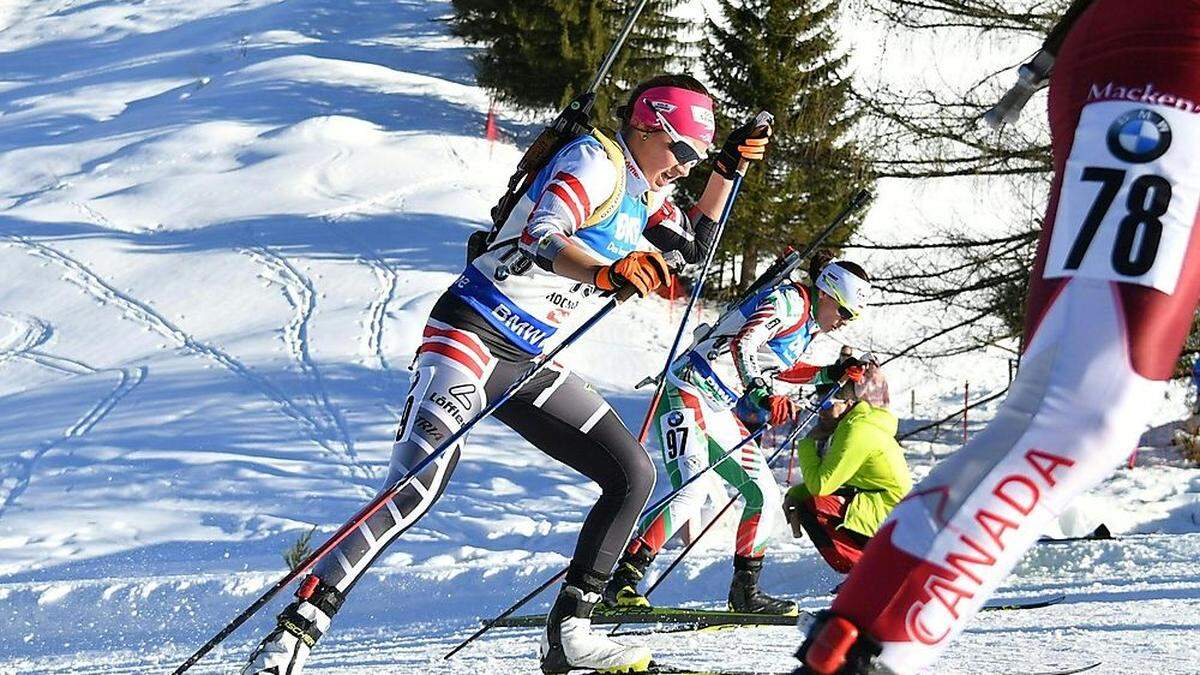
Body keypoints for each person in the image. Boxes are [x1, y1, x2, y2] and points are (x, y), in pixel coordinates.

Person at [241, 74, 772, 675]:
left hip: (533, 359)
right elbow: (543, 234)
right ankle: (293, 634)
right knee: (416, 487)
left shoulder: (649, 192)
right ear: (648, 126)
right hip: (473, 334)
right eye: (682, 151)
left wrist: (727, 169)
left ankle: (571, 635)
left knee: (632, 472)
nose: (685, 166)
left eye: (695, 158)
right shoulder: (596, 161)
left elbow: (692, 251)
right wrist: (604, 272)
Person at [796, 2, 1200, 673]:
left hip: (1137, 54)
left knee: (1064, 413)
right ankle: (862, 655)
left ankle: (855, 651)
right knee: (1081, 413)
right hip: (1167, 60)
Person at [603, 257, 873, 615]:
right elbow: (744, 344)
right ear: (826, 293)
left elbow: (782, 367)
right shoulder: (788, 302)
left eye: (850, 316)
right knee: (692, 490)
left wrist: (832, 373)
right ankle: (622, 580)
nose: (844, 321)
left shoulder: (806, 323)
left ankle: (745, 591)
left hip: (716, 406)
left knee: (763, 492)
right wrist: (761, 393)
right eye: (844, 311)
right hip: (685, 391)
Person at [783, 364, 911, 575]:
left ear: (849, 402)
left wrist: (808, 443)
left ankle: (867, 576)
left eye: (827, 405)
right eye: (818, 405)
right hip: (881, 507)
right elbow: (839, 479)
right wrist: (795, 492)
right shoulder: (855, 422)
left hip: (889, 514)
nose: (821, 413)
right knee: (805, 499)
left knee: (810, 504)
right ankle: (870, 573)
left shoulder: (855, 429)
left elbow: (821, 485)